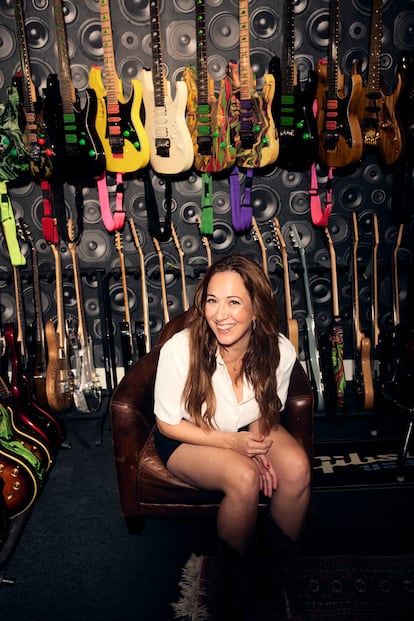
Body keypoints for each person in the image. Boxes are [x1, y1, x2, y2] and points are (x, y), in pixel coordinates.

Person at [153, 254, 311, 619]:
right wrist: (237, 448)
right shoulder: (181, 349)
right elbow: (166, 424)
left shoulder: (280, 351)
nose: (220, 314)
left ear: (257, 308)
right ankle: (234, 585)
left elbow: (264, 409)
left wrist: (255, 445)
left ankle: (279, 574)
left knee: (299, 468)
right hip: (187, 436)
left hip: (244, 427)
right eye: (212, 300)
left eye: (234, 302)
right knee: (244, 476)